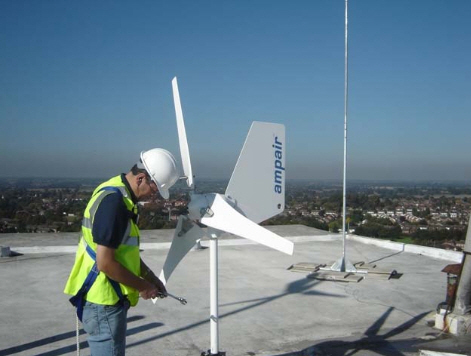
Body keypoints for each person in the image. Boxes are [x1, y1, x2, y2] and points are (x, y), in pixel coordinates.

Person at [64, 148, 180, 356]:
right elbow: (106, 263)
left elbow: (124, 251)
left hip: (105, 299)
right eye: (154, 189)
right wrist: (143, 286)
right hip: (104, 300)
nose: (154, 195)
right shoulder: (114, 204)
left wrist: (149, 276)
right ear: (141, 178)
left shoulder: (117, 191)